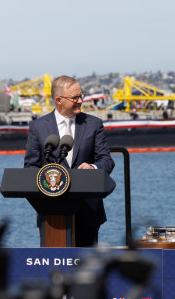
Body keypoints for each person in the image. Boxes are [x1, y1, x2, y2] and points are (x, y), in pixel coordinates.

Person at [24, 75, 115, 247]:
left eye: (81, 96)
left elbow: (107, 161)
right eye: (75, 97)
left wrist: (93, 168)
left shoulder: (93, 124)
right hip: (51, 213)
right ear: (59, 100)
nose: (80, 100)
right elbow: (31, 167)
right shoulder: (38, 127)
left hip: (88, 212)